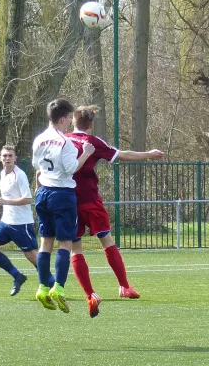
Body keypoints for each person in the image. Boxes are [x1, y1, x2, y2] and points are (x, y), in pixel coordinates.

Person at [65, 105, 164, 318]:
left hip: (68, 200)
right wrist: (149, 154)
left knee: (76, 249)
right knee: (107, 241)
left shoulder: (62, 140)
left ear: (72, 121)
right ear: (91, 125)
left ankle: (90, 294)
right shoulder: (93, 142)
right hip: (90, 200)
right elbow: (123, 155)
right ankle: (124, 286)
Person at [32, 98, 95, 314]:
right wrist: (86, 152)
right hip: (62, 194)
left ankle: (42, 287)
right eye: (69, 118)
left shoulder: (38, 140)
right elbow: (70, 169)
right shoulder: (65, 142)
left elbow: (36, 166)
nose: (70, 122)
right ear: (62, 118)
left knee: (45, 243)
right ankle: (58, 287)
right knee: (65, 244)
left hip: (43, 193)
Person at [0, 144, 54, 296]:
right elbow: (7, 198)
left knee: (31, 256)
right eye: (5, 155)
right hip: (6, 222)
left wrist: (4, 201)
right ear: (0, 158)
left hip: (21, 223)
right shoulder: (3, 174)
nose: (7, 158)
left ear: (15, 158)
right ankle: (17, 276)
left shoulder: (19, 175)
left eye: (10, 155)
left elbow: (28, 199)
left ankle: (51, 282)